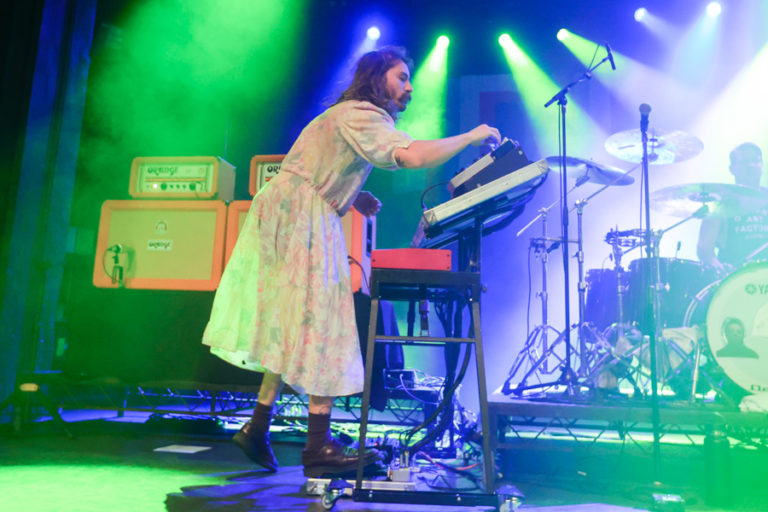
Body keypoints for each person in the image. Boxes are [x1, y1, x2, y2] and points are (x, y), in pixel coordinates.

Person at [201, 46, 501, 478]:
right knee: (323, 321)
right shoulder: (362, 114)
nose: (409, 87)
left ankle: (258, 426)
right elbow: (412, 157)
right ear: (377, 78)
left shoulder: (343, 115)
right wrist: (471, 136)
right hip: (303, 216)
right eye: (401, 77)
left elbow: (314, 164)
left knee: (291, 322)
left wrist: (352, 194)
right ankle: (318, 445)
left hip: (289, 210)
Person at [697, 143, 768, 272]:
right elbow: (704, 249)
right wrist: (718, 268)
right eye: (745, 161)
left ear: (762, 166)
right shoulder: (720, 202)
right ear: (732, 169)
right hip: (736, 277)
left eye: (755, 160)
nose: (751, 165)